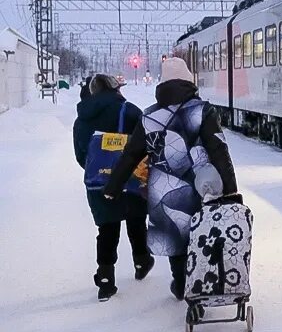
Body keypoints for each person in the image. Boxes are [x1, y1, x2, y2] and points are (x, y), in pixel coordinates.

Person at [103, 57, 238, 301]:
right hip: (201, 186)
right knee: (203, 233)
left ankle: (181, 283)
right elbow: (219, 150)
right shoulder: (203, 110)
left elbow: (131, 155)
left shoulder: (149, 117)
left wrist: (113, 186)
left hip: (163, 188)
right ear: (189, 80)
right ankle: (202, 281)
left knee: (176, 239)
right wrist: (230, 189)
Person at [72, 74, 153, 301]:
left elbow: (81, 155)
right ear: (116, 89)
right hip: (131, 177)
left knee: (107, 228)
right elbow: (148, 141)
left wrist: (101, 169)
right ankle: (141, 260)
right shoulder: (128, 110)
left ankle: (106, 279)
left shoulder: (82, 118)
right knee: (136, 220)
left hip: (98, 182)